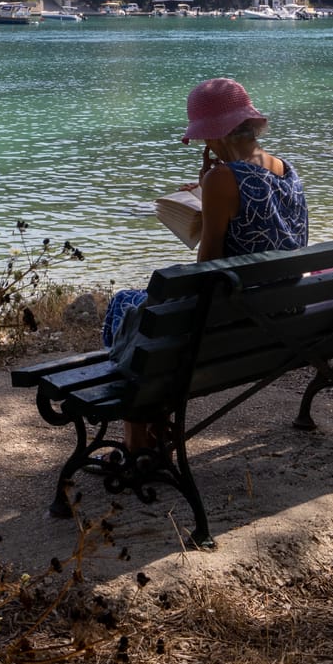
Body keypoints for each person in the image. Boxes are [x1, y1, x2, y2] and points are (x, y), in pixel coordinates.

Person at [104, 77, 308, 452]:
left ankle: (138, 440)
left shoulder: (222, 178)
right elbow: (263, 225)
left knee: (124, 303)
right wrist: (208, 189)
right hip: (284, 310)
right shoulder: (284, 168)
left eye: (204, 137)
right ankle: (152, 426)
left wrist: (211, 188)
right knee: (147, 317)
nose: (204, 145)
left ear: (218, 135)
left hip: (234, 321)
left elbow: (207, 264)